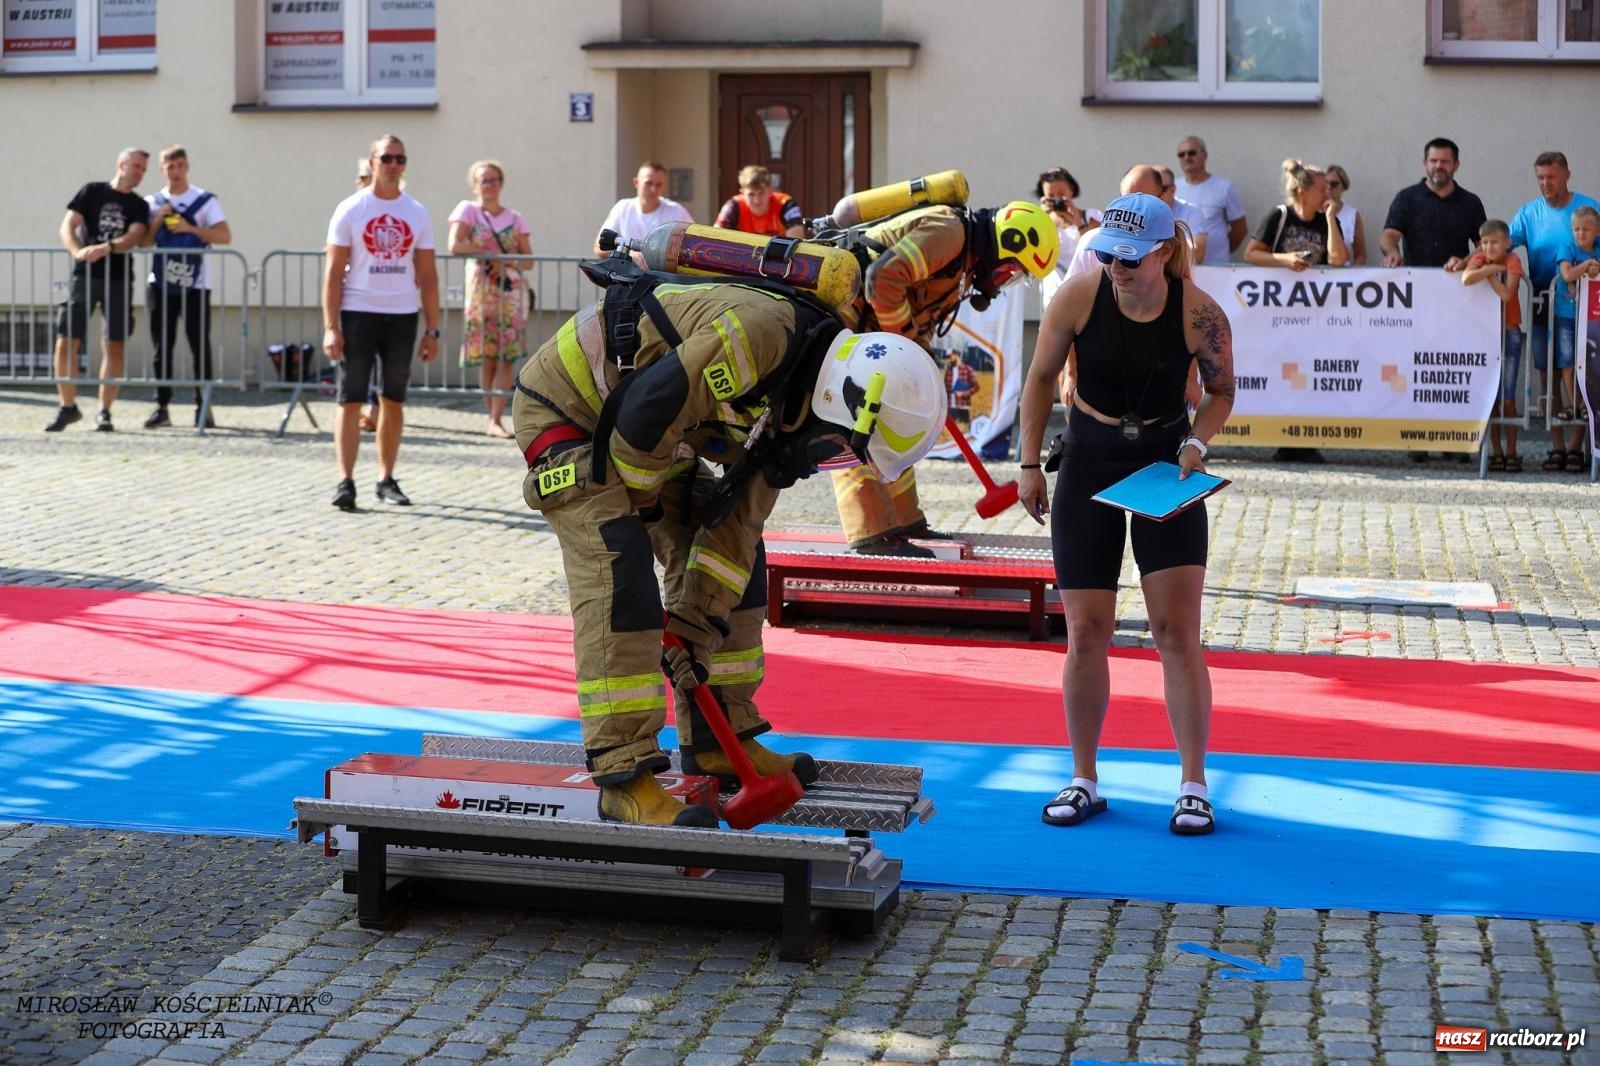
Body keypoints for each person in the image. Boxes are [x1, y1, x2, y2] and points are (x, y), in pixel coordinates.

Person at [511, 269, 947, 826]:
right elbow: (645, 416)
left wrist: (697, 622)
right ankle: (624, 776)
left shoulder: (798, 400)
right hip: (572, 411)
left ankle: (722, 738)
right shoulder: (757, 338)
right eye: (839, 452)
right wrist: (640, 515)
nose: (825, 463)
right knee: (621, 573)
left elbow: (736, 525)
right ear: (840, 404)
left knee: (739, 571)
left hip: (649, 429)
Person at [1016, 192, 1235, 837]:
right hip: (1088, 459)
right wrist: (1029, 464)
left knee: (1175, 631)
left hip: (1164, 469)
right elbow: (1038, 379)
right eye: (1109, 254)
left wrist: (1198, 443)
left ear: (1165, 253)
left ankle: (1193, 785)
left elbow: (1222, 391)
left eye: (1132, 259)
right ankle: (1084, 777)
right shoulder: (1080, 296)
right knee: (1087, 631)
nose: (1117, 267)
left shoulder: (1199, 314)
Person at [829, 199, 1060, 556]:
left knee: (895, 417)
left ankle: (905, 521)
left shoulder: (963, 265)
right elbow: (884, 278)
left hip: (871, 333)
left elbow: (918, 310)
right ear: (1007, 243)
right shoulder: (948, 233)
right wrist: (904, 345)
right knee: (856, 420)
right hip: (842, 320)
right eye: (1010, 272)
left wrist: (918, 358)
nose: (1002, 282)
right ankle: (872, 532)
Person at [322, 134, 441, 511]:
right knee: (351, 399)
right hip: (358, 313)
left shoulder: (417, 212)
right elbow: (332, 273)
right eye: (386, 157)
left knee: (392, 399)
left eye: (399, 158)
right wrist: (330, 326)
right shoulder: (350, 209)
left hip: (402, 315)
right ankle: (345, 481)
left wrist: (433, 328)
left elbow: (428, 275)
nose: (393, 164)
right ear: (372, 162)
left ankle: (386, 478)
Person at [1243, 160, 1346, 464]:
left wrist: (1329, 219)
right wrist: (1285, 260)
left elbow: (1339, 260)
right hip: (1279, 313)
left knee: (1311, 372)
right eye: (1322, 187)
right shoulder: (1280, 216)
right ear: (1303, 191)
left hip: (1316, 312)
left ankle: (1308, 442)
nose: (1328, 191)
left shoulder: (1327, 219)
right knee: (1282, 372)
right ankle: (1283, 440)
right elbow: (1252, 253)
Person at [45, 148, 151, 433]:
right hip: (84, 276)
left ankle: (104, 412)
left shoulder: (139, 205)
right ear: (121, 164)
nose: (140, 172)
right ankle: (68, 407)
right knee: (67, 339)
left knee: (114, 343)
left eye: (143, 169)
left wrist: (109, 247)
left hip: (117, 279)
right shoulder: (92, 191)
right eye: (136, 166)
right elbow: (68, 225)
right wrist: (77, 251)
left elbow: (135, 235)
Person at [1508, 152, 1600, 472]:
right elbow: (1501, 242)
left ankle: (1577, 446)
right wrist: (1471, 261)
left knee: (1581, 371)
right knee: (1548, 374)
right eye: (1541, 178)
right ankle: (1557, 446)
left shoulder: (1590, 208)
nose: (1546, 184)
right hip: (1543, 305)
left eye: (1552, 177)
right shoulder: (1529, 212)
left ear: (1567, 175)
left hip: (1586, 309)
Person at [139, 145, 232, 431]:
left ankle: (203, 406)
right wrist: (157, 220)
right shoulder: (152, 202)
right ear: (161, 169)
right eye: (169, 166)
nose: (175, 171)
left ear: (187, 167)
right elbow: (144, 243)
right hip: (161, 283)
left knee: (198, 344)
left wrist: (190, 229)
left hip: (196, 284)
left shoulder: (204, 201)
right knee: (161, 346)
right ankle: (162, 406)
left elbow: (224, 235)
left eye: (179, 165)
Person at [448, 159, 533, 439]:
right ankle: (491, 418)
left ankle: (497, 418)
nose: (490, 185)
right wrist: (486, 252)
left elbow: (528, 259)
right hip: (482, 292)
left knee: (505, 356)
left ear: (501, 183)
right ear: (475, 185)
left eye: (494, 179)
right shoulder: (468, 210)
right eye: (484, 180)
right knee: (487, 356)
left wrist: (503, 260)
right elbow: (455, 244)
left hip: (509, 292)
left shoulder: (515, 217)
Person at [1461, 219, 1526, 472]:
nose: (1488, 248)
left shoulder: (1512, 261)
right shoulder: (1483, 261)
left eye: (1494, 243)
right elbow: (1467, 278)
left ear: (1507, 243)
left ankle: (1512, 451)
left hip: (1509, 334)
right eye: (1484, 243)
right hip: (1486, 335)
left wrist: (1488, 275)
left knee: (1508, 398)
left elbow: (1507, 293)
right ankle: (1496, 452)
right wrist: (1489, 270)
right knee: (1492, 398)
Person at [1378, 137, 1486, 271]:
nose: (1439, 166)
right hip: (1415, 283)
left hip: (1457, 283)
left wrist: (1465, 262)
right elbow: (1389, 234)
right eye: (1433, 160)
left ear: (1456, 165)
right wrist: (1391, 251)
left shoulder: (1470, 202)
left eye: (1445, 161)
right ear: (1425, 163)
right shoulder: (1406, 198)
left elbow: (1485, 243)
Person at [1554, 205, 1600, 472]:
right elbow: (1567, 274)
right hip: (1566, 315)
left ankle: (1585, 403)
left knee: (1588, 361)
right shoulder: (1567, 248)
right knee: (1567, 362)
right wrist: (1586, 266)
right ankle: (1572, 404)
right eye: (1577, 229)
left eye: (1586, 229)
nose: (1581, 234)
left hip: (1592, 318)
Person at [594, 161, 694, 257]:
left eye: (658, 184)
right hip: (627, 274)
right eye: (648, 183)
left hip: (661, 274)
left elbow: (694, 245)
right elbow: (599, 247)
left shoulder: (677, 211)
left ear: (665, 187)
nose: (653, 189)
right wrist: (628, 254)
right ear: (636, 182)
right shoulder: (622, 208)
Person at [1172, 136, 1246, 265]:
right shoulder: (1173, 188)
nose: (1186, 157)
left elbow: (1240, 229)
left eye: (1192, 152)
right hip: (1182, 267)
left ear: (1204, 155)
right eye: (1181, 154)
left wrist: (1220, 250)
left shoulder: (1224, 187)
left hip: (1217, 267)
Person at [1036, 166, 1102, 311]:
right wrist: (1040, 218)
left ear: (1071, 190)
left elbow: (1099, 250)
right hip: (1052, 292)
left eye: (1061, 194)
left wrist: (1078, 221)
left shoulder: (1090, 216)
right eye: (1051, 196)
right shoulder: (1042, 221)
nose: (1057, 200)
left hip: (1084, 289)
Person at [352, 158, 381, 434]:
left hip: (385, 302)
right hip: (355, 299)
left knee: (379, 361)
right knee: (359, 360)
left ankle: (374, 408)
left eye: (366, 176)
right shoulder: (351, 209)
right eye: (360, 177)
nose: (361, 181)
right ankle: (362, 407)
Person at [714, 165, 804, 238]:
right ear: (742, 193)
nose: (756, 201)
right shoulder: (733, 206)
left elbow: (796, 246)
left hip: (779, 258)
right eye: (751, 194)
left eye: (761, 193)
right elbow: (715, 239)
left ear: (770, 190)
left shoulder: (786, 204)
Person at [1156, 165, 1208, 264]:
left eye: (1162, 188)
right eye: (1153, 188)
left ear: (1173, 189)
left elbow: (1197, 254)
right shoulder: (1142, 212)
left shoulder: (1192, 212)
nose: (1157, 193)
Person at [1323, 164, 1367, 265]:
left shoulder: (1352, 215)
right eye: (1325, 183)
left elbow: (1361, 255)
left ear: (1343, 187)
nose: (1329, 187)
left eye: (1334, 184)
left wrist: (1353, 275)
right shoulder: (1315, 211)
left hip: (1342, 276)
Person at [945, 349, 979, 428]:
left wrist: (963, 394)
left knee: (964, 428)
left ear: (956, 355)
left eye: (950, 356)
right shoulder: (948, 371)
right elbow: (945, 389)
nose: (948, 359)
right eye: (947, 357)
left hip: (963, 406)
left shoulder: (968, 369)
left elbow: (976, 387)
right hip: (951, 407)